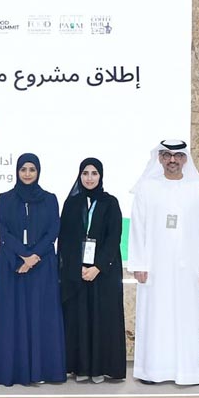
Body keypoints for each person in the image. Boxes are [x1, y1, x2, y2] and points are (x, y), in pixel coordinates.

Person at [128, 140, 199, 385]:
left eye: (178, 156)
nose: (172, 160)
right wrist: (139, 264)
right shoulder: (147, 188)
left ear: (185, 159)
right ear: (159, 158)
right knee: (155, 317)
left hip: (189, 270)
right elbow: (137, 228)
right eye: (167, 155)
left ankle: (187, 372)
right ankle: (152, 371)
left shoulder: (198, 189)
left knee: (186, 319)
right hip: (154, 269)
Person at [0, 153, 66, 386]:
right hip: (11, 264)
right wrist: (22, 255)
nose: (28, 174)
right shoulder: (5, 198)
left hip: (42, 266)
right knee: (12, 316)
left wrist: (33, 257)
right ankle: (13, 371)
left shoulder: (50, 199)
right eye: (23, 169)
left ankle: (43, 370)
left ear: (38, 172)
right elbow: (3, 230)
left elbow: (53, 230)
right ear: (17, 171)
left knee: (41, 315)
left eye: (32, 169)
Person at [58, 158, 126, 383]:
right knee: (79, 318)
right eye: (85, 173)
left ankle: (99, 368)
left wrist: (97, 267)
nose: (89, 178)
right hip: (76, 274)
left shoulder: (110, 202)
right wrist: (76, 267)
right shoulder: (71, 203)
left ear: (101, 176)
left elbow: (114, 238)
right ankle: (80, 368)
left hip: (103, 273)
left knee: (100, 318)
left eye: (94, 173)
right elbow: (65, 240)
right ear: (79, 176)